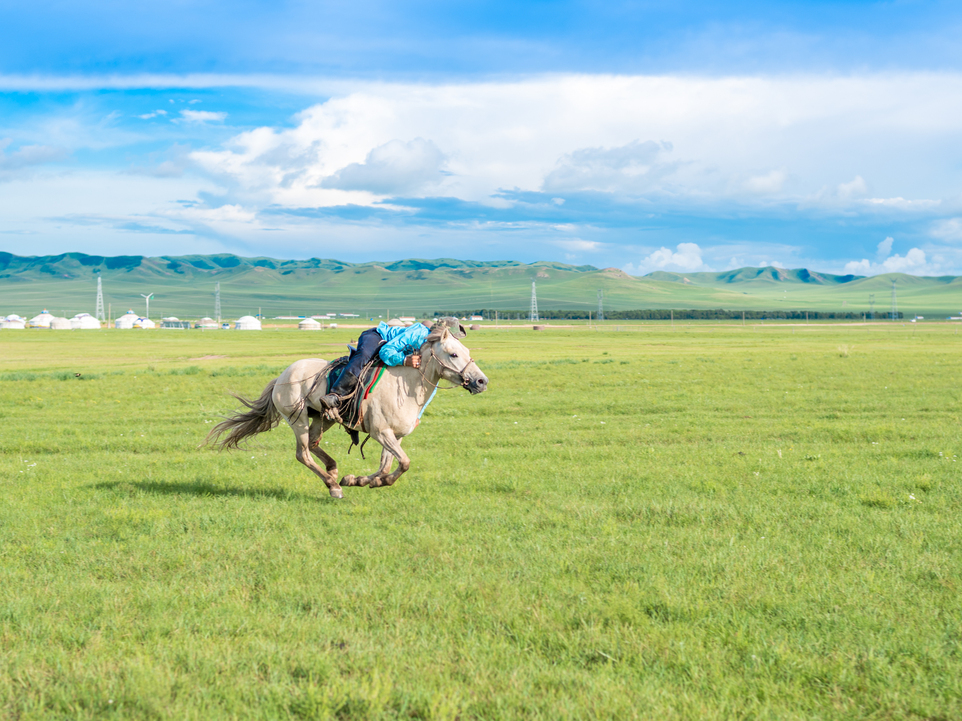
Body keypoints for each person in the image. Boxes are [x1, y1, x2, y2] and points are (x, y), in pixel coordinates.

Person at [319, 317, 466, 410]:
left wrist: (418, 415)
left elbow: (430, 382)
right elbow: (386, 351)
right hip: (378, 336)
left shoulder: (434, 352)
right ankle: (336, 393)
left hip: (392, 349)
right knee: (363, 356)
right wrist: (404, 360)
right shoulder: (418, 333)